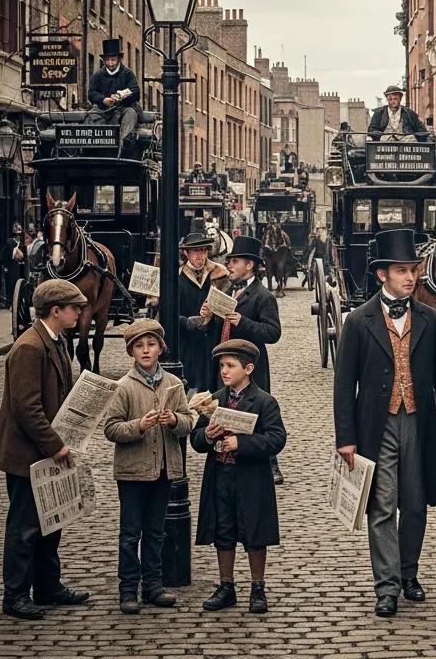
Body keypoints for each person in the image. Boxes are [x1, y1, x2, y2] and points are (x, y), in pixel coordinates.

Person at [334, 228, 436, 617]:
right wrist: (346, 438)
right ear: (382, 275)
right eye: (401, 270)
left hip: (418, 422)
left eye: (413, 269)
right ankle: (387, 585)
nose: (410, 277)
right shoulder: (358, 321)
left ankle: (409, 574)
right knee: (382, 504)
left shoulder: (427, 317)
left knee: (416, 503)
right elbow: (344, 386)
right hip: (377, 424)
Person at [0, 279, 90, 620]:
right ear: (55, 311)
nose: (79, 312)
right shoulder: (29, 348)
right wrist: (57, 445)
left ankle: (48, 587)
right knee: (24, 526)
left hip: (45, 450)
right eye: (74, 308)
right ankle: (15, 595)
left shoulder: (55, 341)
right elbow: (26, 408)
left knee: (52, 520)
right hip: (25, 454)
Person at [103, 319, 192, 614]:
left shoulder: (174, 384)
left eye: (151, 345)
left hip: (164, 469)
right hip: (133, 471)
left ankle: (153, 585)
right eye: (139, 346)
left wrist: (175, 421)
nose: (145, 350)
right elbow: (111, 429)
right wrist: (139, 425)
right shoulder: (124, 387)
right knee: (130, 534)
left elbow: (189, 421)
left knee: (156, 531)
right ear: (131, 351)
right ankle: (128, 588)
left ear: (160, 348)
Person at [192, 339, 287, 614]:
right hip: (220, 474)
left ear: (248, 368)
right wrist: (206, 436)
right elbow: (196, 441)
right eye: (222, 365)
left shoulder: (264, 401)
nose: (224, 370)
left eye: (230, 365)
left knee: (254, 531)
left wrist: (243, 444)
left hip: (251, 478)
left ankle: (258, 586)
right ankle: (226, 586)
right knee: (223, 529)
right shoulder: (215, 400)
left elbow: (277, 438)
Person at [222, 235, 284, 484]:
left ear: (249, 265)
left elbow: (273, 333)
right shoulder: (228, 290)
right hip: (228, 362)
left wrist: (243, 323)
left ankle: (271, 464)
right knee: (229, 409)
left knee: (257, 413)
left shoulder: (263, 296)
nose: (230, 266)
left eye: (234, 261)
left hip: (252, 366)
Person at [176, 224, 232, 394]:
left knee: (213, 382)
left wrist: (212, 316)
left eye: (203, 250)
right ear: (186, 253)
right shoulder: (177, 277)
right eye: (195, 251)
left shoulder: (220, 274)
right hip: (187, 341)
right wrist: (189, 322)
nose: (200, 255)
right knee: (190, 383)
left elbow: (229, 307)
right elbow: (168, 314)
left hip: (212, 339)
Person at [87, 37, 141, 147]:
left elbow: (135, 91)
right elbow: (91, 93)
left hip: (124, 108)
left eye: (113, 60)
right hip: (103, 109)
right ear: (104, 60)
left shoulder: (128, 74)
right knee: (92, 116)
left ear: (118, 59)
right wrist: (103, 99)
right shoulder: (98, 75)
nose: (110, 63)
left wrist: (123, 97)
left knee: (131, 113)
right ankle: (100, 145)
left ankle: (123, 143)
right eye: (107, 60)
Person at [2, 221, 25, 303]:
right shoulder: (9, 242)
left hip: (20, 267)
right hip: (11, 266)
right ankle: (10, 302)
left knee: (19, 284)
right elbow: (4, 255)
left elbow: (24, 256)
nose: (19, 234)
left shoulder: (23, 242)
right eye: (17, 231)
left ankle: (17, 301)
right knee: (11, 284)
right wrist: (5, 266)